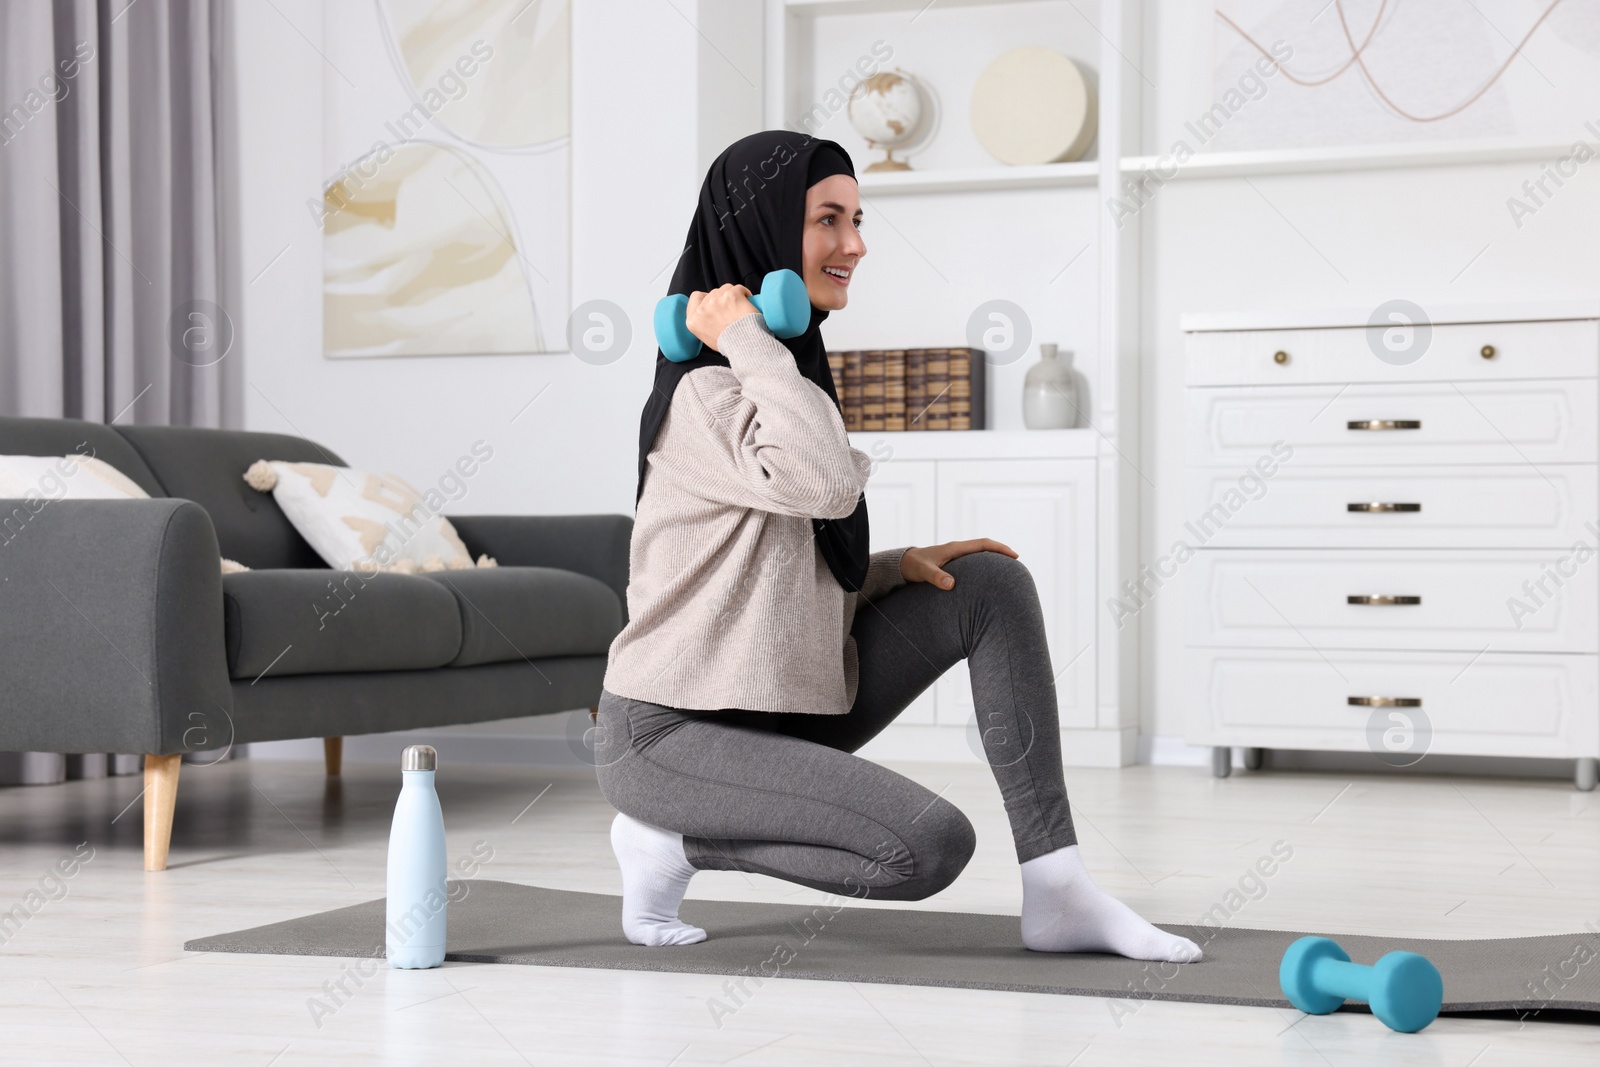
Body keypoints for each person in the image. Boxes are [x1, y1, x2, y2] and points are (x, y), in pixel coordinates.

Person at [593, 131, 1199, 964]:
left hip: (780, 709)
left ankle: (1059, 886)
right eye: (828, 220)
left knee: (982, 582)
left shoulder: (785, 374)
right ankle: (667, 845)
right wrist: (743, 335)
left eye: (857, 218)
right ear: (763, 234)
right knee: (926, 844)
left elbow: (770, 567)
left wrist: (889, 568)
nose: (855, 244)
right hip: (669, 736)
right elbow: (824, 483)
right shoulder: (706, 391)